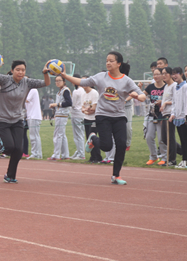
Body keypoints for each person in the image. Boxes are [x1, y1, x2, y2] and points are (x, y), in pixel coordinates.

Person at [61, 51, 146, 185]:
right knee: (106, 146)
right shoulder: (101, 77)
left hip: (119, 116)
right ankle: (93, 138)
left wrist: (136, 96)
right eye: (107, 60)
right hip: (103, 116)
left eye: (111, 61)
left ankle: (116, 175)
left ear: (118, 64)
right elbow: (82, 82)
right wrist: (65, 76)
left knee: (121, 145)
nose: (108, 63)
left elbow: (142, 96)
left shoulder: (126, 80)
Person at [0, 60, 50, 182]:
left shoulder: (27, 82)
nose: (20, 72)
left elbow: (46, 83)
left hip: (17, 119)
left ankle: (10, 176)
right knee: (9, 146)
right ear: (12, 71)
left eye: (23, 70)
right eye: (18, 70)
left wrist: (45, 73)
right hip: (2, 119)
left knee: (18, 150)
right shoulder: (5, 80)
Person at [158, 67, 182, 166]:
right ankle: (184, 152)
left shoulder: (174, 85)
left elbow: (177, 100)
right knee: (164, 138)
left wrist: (165, 103)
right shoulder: (166, 86)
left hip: (171, 114)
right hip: (165, 114)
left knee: (169, 137)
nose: (163, 75)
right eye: (162, 73)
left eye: (165, 73)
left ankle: (172, 160)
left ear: (170, 74)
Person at [143, 68, 167, 165]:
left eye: (158, 74)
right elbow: (142, 95)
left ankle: (164, 157)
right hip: (152, 114)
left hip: (162, 114)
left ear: (162, 75)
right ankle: (153, 156)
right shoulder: (150, 87)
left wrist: (162, 101)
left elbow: (171, 97)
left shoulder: (166, 87)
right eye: (154, 74)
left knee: (161, 138)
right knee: (149, 137)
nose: (156, 76)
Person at [170, 67, 187, 169]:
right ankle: (184, 159)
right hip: (177, 117)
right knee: (182, 139)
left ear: (181, 74)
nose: (174, 76)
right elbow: (174, 102)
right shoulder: (175, 87)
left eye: (176, 74)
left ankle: (186, 159)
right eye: (173, 74)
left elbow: (186, 102)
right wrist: (173, 114)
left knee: (186, 139)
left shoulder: (185, 87)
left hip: (184, 117)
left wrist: (186, 116)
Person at [48, 75, 72, 161]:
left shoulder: (65, 90)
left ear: (64, 81)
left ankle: (56, 155)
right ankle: (65, 154)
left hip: (62, 115)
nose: (57, 82)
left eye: (59, 80)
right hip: (60, 114)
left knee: (58, 135)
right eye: (56, 81)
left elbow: (69, 102)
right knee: (62, 135)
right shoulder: (60, 91)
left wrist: (56, 104)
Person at [81, 76, 102, 163]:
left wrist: (86, 110)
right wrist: (86, 111)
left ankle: (98, 157)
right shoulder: (83, 94)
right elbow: (82, 107)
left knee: (92, 137)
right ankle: (92, 157)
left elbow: (93, 108)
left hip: (94, 119)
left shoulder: (94, 93)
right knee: (88, 138)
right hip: (86, 119)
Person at [69, 74, 86, 160]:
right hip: (82, 114)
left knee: (77, 135)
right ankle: (79, 151)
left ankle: (81, 154)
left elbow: (73, 104)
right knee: (81, 134)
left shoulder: (76, 91)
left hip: (76, 114)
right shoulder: (83, 90)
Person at [25, 88, 43, 159]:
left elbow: (26, 100)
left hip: (34, 116)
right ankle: (35, 153)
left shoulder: (33, 90)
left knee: (34, 136)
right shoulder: (28, 91)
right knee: (33, 136)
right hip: (30, 116)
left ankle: (37, 153)